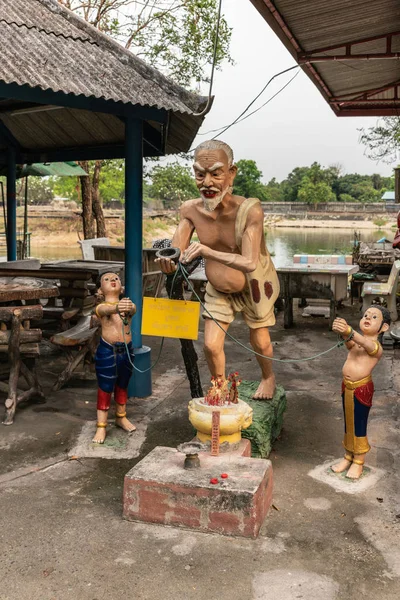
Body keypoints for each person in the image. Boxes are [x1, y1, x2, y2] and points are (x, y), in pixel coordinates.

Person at [157, 139, 279, 400]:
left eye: (215, 173)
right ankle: (219, 386)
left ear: (231, 173)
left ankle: (268, 378)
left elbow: (249, 262)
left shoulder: (249, 210)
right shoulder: (190, 210)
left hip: (252, 284)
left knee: (261, 341)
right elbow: (176, 252)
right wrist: (169, 263)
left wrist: (206, 250)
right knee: (211, 346)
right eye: (200, 174)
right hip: (218, 288)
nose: (207, 183)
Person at [331, 306, 390, 479]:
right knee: (348, 423)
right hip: (347, 386)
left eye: (373, 317)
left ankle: (359, 461)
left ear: (383, 327)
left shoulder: (376, 347)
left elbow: (366, 344)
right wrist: (343, 331)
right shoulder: (357, 341)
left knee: (359, 424)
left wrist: (349, 330)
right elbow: (351, 343)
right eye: (365, 315)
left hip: (361, 388)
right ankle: (348, 456)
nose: (367, 318)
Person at [92, 272, 136, 444]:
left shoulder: (127, 305)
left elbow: (133, 309)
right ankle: (101, 426)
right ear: (100, 290)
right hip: (107, 350)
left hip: (126, 350)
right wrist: (117, 307)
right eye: (107, 279)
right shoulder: (102, 307)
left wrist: (128, 307)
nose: (113, 280)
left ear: (121, 287)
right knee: (105, 387)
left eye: (116, 278)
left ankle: (121, 416)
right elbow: (105, 310)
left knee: (122, 384)